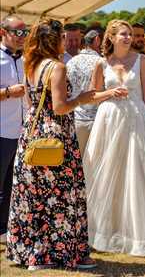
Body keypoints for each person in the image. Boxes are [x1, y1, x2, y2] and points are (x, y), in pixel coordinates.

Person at [6, 19, 97, 271]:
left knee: (33, 196)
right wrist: (81, 98)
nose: (65, 42)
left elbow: (29, 101)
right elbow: (59, 107)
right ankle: (63, 253)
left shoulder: (30, 65)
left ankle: (34, 254)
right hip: (56, 137)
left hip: (32, 135)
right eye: (62, 38)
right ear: (53, 40)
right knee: (62, 196)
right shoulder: (57, 67)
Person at [83, 20, 145, 256]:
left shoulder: (142, 60)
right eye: (123, 34)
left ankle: (141, 234)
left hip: (136, 120)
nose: (128, 38)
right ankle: (105, 231)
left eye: (130, 34)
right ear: (111, 37)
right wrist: (109, 92)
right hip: (109, 121)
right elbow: (93, 96)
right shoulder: (101, 63)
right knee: (106, 174)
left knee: (138, 173)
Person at [0, 15, 27, 243]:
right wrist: (8, 92)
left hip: (21, 131)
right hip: (1, 131)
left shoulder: (24, 59)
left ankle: (4, 230)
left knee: (12, 184)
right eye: (17, 33)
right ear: (3, 33)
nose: (22, 37)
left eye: (24, 32)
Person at [67, 30, 101, 157]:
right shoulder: (102, 62)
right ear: (97, 40)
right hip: (98, 119)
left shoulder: (71, 62)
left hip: (75, 118)